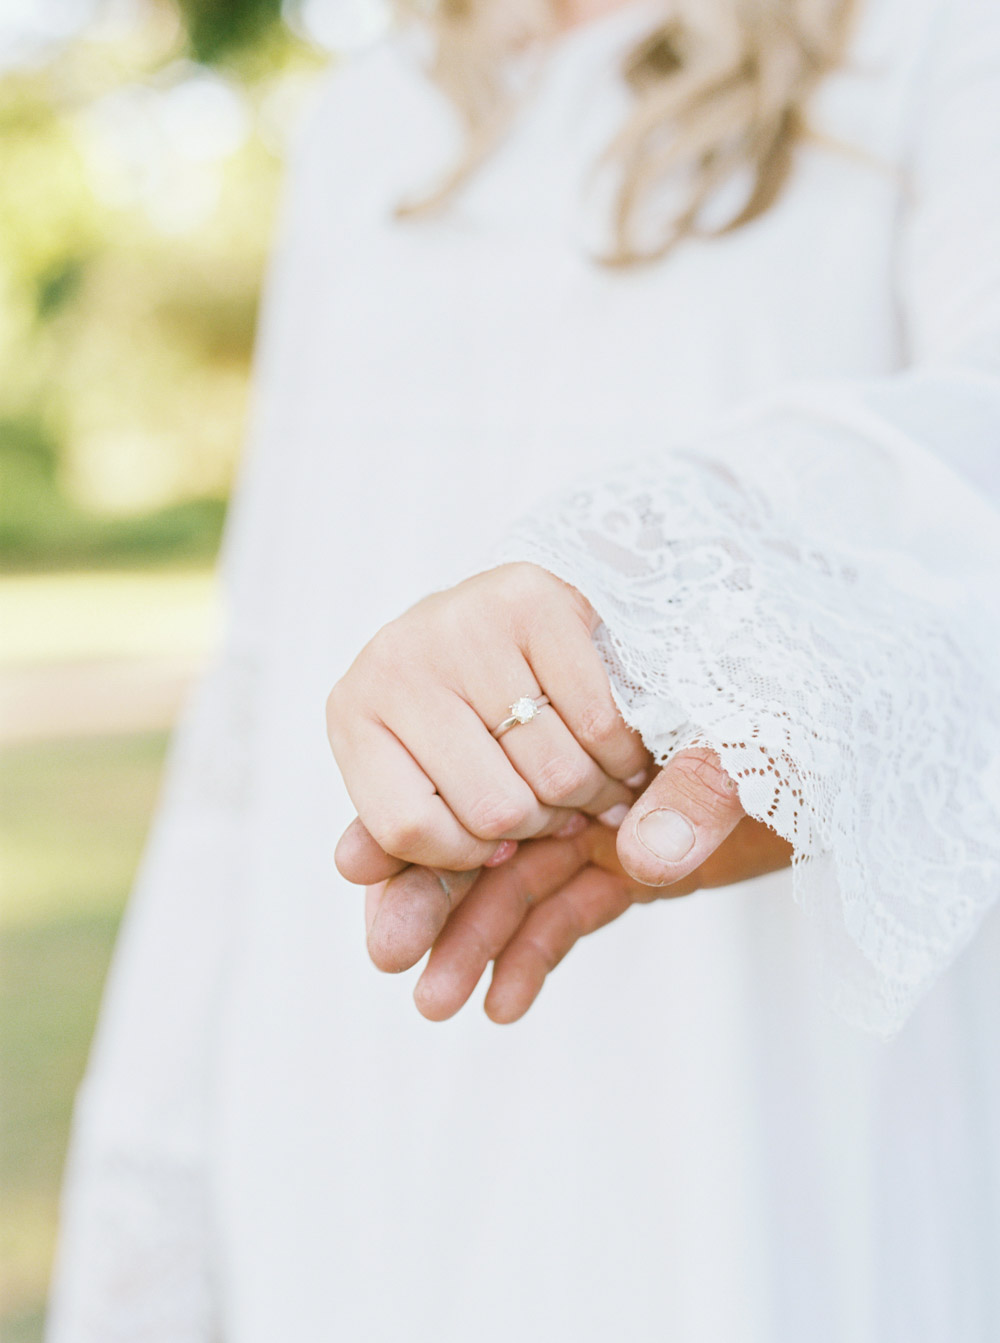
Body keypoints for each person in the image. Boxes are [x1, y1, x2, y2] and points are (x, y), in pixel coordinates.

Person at [49, 0, 1000, 1339]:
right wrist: (156, 1171)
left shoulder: (929, 42)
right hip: (348, 1052)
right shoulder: (365, 119)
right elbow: (262, 663)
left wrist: (679, 605)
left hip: (751, 1082)